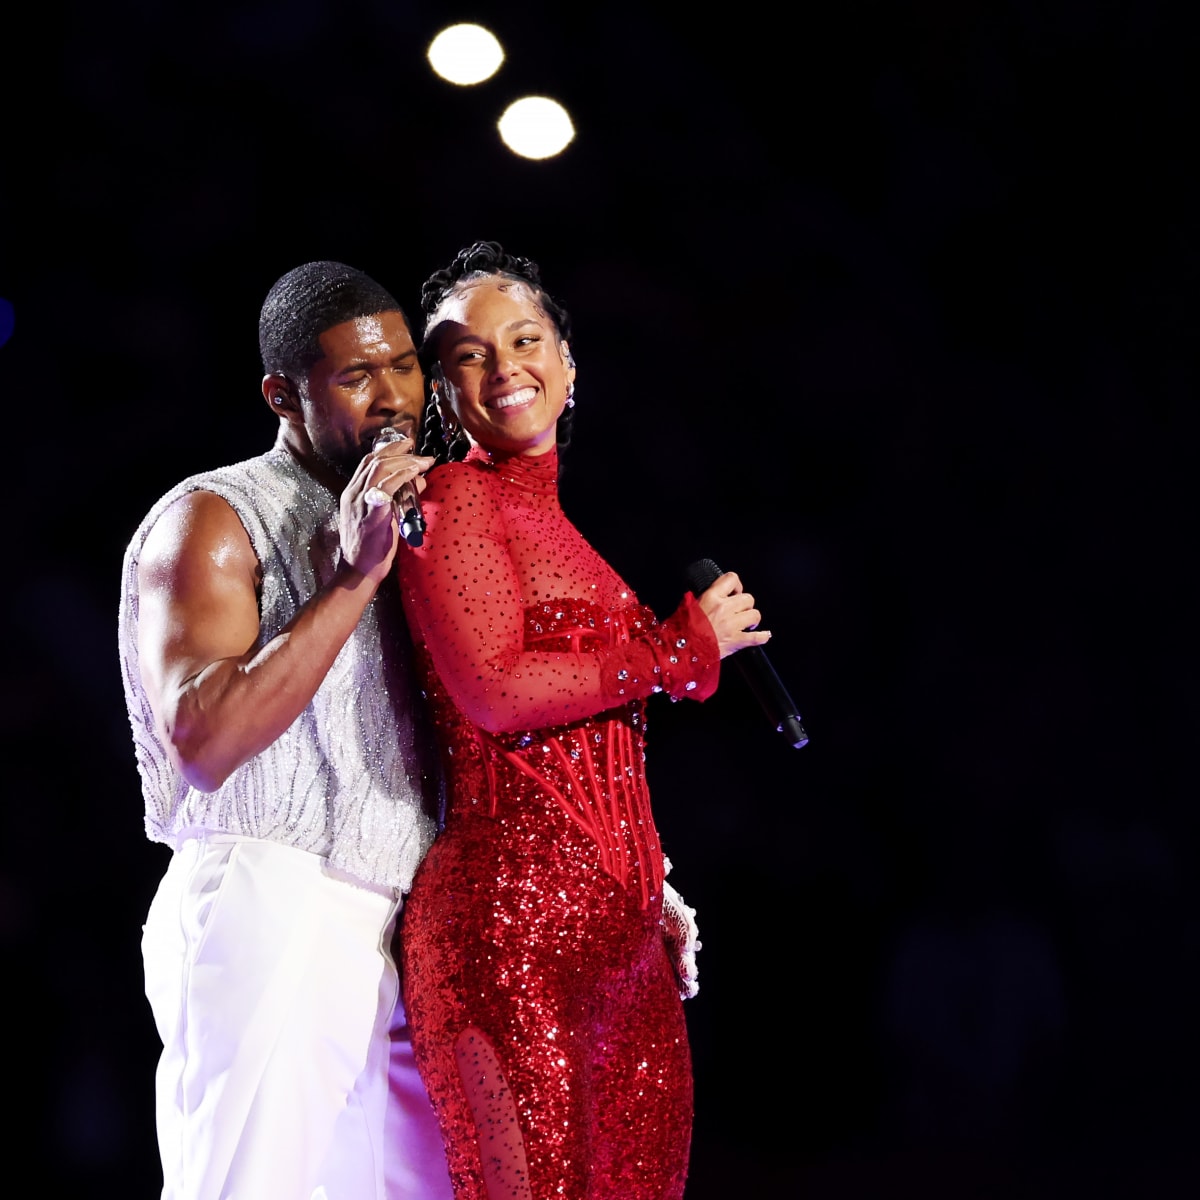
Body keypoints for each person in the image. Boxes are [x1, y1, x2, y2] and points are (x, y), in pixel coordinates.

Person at [392, 240, 771, 1200]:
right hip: (506, 937)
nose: (503, 365)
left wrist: (648, 892)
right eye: (467, 354)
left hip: (625, 947)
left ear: (568, 365)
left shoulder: (565, 532)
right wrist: (675, 654)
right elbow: (495, 692)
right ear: (443, 392)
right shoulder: (450, 501)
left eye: (524, 339)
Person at [117, 261, 455, 1200]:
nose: (392, 399)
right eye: (355, 377)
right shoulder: (215, 518)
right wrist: (351, 581)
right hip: (274, 890)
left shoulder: (421, 514)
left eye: (402, 368)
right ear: (283, 393)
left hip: (404, 912)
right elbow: (207, 740)